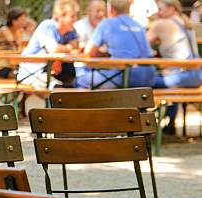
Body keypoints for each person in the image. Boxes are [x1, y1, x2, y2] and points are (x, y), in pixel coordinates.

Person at [148, 0, 201, 134]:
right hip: (196, 75)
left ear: (172, 8)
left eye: (160, 9)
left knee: (145, 82)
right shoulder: (185, 21)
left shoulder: (161, 24)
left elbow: (141, 46)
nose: (158, 13)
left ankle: (146, 124)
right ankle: (170, 122)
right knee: (172, 84)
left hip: (182, 75)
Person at [78, 0, 156, 88]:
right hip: (149, 78)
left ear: (110, 8)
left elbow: (88, 52)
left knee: (80, 77)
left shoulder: (107, 23)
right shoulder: (139, 25)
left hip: (125, 77)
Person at [17, 0, 79, 88]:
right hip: (33, 72)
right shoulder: (48, 26)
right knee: (58, 89)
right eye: (72, 16)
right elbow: (53, 49)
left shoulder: (71, 30)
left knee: (75, 84)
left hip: (54, 72)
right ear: (61, 16)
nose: (76, 19)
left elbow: (76, 46)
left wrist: (59, 58)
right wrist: (68, 48)